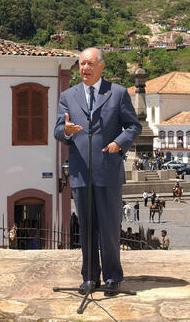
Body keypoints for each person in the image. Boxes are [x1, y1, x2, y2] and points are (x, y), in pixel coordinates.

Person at [54, 47, 142, 297]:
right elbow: (58, 130)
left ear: (101, 66)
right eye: (82, 64)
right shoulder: (67, 96)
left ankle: (113, 277)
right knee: (87, 228)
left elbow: (133, 126)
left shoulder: (117, 93)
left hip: (109, 170)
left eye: (90, 63)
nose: (85, 68)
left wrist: (119, 143)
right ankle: (90, 277)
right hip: (81, 172)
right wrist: (67, 131)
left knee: (110, 227)